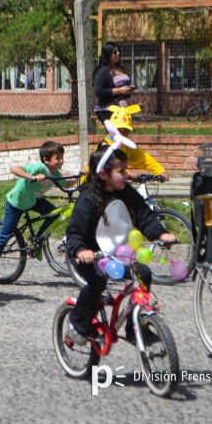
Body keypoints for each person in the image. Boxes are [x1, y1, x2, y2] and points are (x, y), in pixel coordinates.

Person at [64, 145, 176, 345]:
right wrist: (81, 250)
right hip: (89, 255)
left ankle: (135, 327)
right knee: (97, 282)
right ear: (103, 174)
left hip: (117, 254)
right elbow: (74, 233)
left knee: (143, 273)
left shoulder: (127, 193)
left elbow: (145, 216)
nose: (127, 174)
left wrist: (160, 233)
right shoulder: (87, 198)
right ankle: (77, 324)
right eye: (121, 171)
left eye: (126, 169)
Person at [0, 141, 76, 267]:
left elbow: (67, 184)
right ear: (46, 160)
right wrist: (31, 177)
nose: (61, 161)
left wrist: (81, 175)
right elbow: (14, 169)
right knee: (4, 236)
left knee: (53, 215)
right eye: (57, 158)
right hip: (16, 203)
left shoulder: (56, 174)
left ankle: (37, 240)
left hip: (33, 200)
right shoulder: (39, 168)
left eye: (62, 158)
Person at [99, 104, 169, 181]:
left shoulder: (126, 146)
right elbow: (111, 165)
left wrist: (159, 170)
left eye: (125, 131)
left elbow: (144, 158)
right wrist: (125, 173)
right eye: (118, 130)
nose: (122, 134)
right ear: (111, 129)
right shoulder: (106, 145)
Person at [93, 42, 134, 123]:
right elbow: (98, 91)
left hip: (123, 108)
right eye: (114, 52)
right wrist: (119, 90)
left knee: (123, 132)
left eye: (118, 51)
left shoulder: (119, 68)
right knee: (115, 133)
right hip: (107, 109)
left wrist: (130, 88)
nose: (118, 53)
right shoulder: (102, 71)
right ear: (108, 54)